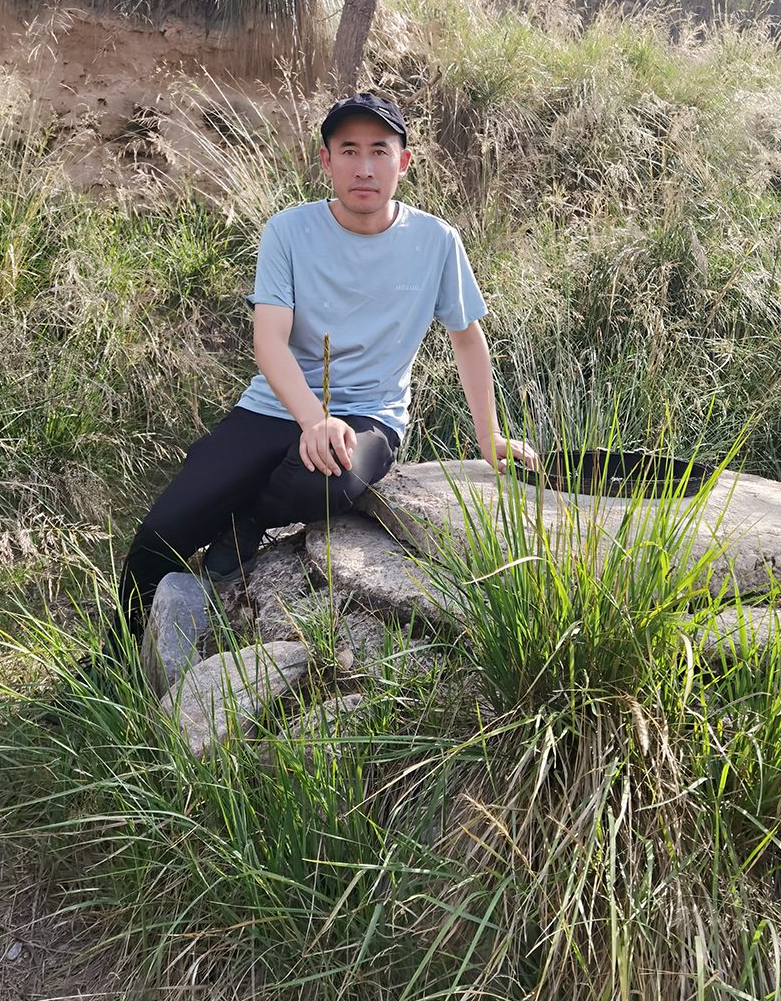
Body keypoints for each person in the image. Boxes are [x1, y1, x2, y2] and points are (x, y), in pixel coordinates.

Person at [119, 91, 536, 638]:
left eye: (379, 151)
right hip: (275, 407)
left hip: (369, 414)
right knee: (160, 534)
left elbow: (467, 340)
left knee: (326, 479)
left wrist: (490, 438)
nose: (364, 168)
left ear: (403, 162)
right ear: (326, 160)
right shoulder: (289, 231)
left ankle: (247, 523)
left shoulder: (436, 241)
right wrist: (314, 420)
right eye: (348, 151)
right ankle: (114, 653)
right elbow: (269, 341)